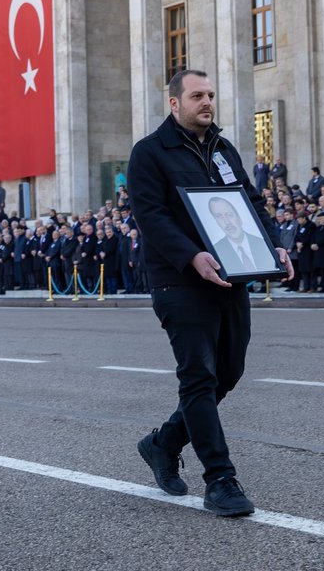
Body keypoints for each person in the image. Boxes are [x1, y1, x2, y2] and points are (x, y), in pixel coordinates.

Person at [127, 69, 292, 518]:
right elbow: (152, 216)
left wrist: (274, 244)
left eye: (211, 95)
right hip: (180, 281)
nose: (207, 102)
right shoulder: (149, 153)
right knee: (198, 376)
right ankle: (220, 479)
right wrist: (190, 256)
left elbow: (251, 203)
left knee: (229, 372)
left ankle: (163, 443)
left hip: (232, 275)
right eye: (197, 95)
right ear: (174, 102)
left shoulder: (222, 148)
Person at [207, 196, 277, 275]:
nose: (227, 222)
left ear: (239, 217)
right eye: (219, 216)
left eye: (229, 215)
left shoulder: (263, 244)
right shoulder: (215, 251)